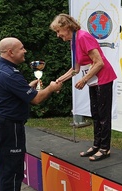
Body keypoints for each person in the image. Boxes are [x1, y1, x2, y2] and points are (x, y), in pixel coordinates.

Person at [0, 37, 62, 191]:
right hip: (9, 126)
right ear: (10, 52)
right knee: (12, 169)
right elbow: (35, 100)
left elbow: (11, 93)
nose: (25, 51)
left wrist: (27, 87)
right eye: (21, 48)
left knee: (0, 166)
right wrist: (51, 88)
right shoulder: (11, 74)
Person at [50, 13, 117, 161]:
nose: (57, 35)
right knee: (95, 113)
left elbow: (99, 63)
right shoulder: (73, 41)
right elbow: (75, 68)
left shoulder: (83, 37)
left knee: (103, 115)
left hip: (103, 78)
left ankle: (105, 148)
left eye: (58, 31)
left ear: (66, 27)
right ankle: (96, 145)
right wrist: (59, 80)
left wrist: (84, 80)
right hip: (93, 80)